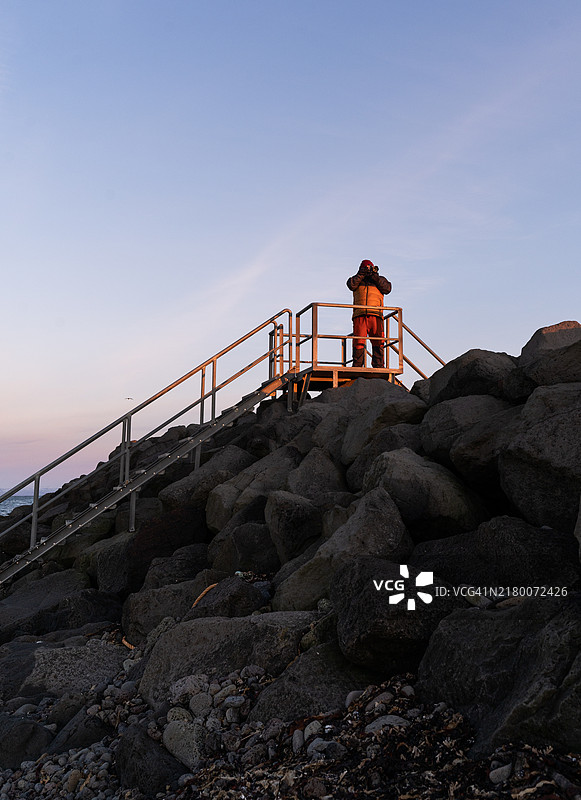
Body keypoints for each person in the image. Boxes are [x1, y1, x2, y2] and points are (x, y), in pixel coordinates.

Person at [346, 259, 392, 368]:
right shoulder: (356, 279)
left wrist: (375, 277)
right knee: (358, 342)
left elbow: (387, 288)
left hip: (375, 315)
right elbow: (351, 285)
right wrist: (361, 274)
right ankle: (357, 366)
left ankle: (379, 366)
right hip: (360, 315)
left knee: (378, 342)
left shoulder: (379, 280)